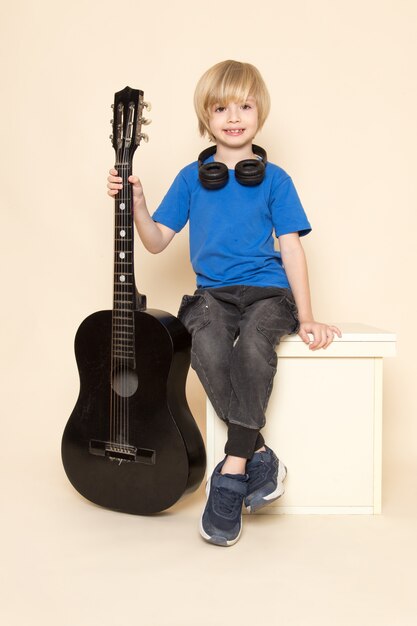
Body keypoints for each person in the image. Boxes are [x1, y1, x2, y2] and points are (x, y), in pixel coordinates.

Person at [107, 59, 341, 546]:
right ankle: (259, 457)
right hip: (213, 295)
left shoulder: (276, 180)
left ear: (261, 112)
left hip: (268, 294)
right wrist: (138, 205)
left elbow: (292, 247)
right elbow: (155, 243)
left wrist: (310, 315)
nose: (234, 117)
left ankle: (232, 473)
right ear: (205, 117)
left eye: (245, 106)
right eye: (221, 108)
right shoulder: (192, 180)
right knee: (207, 344)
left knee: (254, 344)